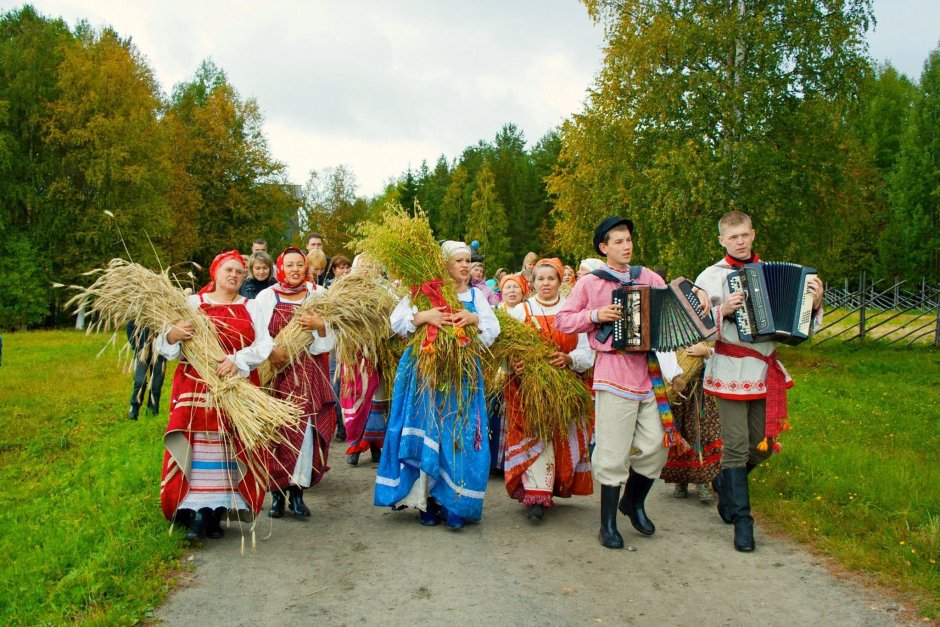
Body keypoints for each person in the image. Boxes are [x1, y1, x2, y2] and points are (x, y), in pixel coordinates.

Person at [695, 210, 824, 552]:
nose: (739, 241)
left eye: (744, 235)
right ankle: (742, 521)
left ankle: (725, 482)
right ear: (721, 240)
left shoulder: (773, 273)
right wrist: (721, 311)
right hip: (729, 370)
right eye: (732, 236)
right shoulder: (710, 277)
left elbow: (802, 325)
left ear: (753, 234)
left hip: (765, 370)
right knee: (736, 446)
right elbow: (694, 327)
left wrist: (817, 300)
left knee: (762, 446)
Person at [555, 217, 686, 550]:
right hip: (613, 374)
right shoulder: (591, 283)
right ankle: (607, 524)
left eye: (628, 240)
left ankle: (633, 502)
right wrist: (595, 315)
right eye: (618, 242)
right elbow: (563, 320)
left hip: (648, 374)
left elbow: (668, 312)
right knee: (612, 452)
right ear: (604, 248)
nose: (626, 246)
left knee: (657, 444)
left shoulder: (649, 277)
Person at [375, 241, 500, 529]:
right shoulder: (424, 290)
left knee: (457, 434)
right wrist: (424, 316)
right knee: (429, 429)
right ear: (445, 265)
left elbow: (493, 330)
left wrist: (475, 319)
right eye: (459, 261)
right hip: (424, 374)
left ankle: (453, 502)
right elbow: (396, 322)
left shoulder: (476, 296)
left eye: (468, 260)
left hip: (461, 375)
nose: (466, 266)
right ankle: (426, 500)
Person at [155, 250, 273, 541]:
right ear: (215, 273)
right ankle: (195, 511)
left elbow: (263, 344)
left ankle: (216, 511)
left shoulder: (252, 306)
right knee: (199, 446)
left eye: (238, 272)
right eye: (228, 270)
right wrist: (172, 335)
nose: (234, 276)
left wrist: (237, 360)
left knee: (227, 448)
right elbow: (166, 341)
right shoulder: (192, 303)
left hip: (236, 385)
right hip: (195, 384)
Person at [505, 258, 594, 520]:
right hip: (528, 390)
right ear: (532, 283)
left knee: (561, 436)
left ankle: (557, 484)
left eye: (551, 278)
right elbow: (506, 348)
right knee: (536, 435)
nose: (546, 283)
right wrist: (515, 364)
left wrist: (569, 359)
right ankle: (536, 494)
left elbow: (587, 351)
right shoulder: (520, 312)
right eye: (540, 279)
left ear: (559, 281)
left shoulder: (572, 310)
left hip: (565, 388)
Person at [255, 247, 336, 520]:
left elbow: (330, 338)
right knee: (276, 432)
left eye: (299, 265)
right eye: (289, 265)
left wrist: (320, 325)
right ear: (281, 267)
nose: (294, 270)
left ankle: (297, 493)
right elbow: (255, 332)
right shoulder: (266, 296)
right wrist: (271, 351)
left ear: (306, 267)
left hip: (308, 374)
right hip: (275, 375)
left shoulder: (318, 296)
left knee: (303, 434)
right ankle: (276, 494)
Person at [340, 254, 390, 466]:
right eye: (364, 266)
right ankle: (355, 445)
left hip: (378, 353)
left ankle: (377, 446)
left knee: (377, 400)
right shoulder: (345, 291)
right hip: (353, 355)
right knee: (355, 399)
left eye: (372, 266)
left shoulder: (386, 292)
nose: (368, 270)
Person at [659, 342, 721, 503]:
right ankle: (681, 479)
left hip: (700, 387)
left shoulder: (710, 324)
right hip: (678, 386)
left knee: (701, 432)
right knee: (680, 431)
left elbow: (723, 350)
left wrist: (707, 352)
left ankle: (703, 481)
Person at [487, 273, 530, 473]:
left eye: (516, 287)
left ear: (524, 291)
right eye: (508, 287)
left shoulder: (529, 314)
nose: (512, 291)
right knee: (494, 410)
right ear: (501, 292)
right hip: (498, 371)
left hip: (522, 370)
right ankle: (495, 461)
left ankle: (512, 461)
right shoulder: (495, 312)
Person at [126, 321, 167, 420]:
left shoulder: (163, 313)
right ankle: (134, 408)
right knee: (140, 381)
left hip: (160, 353)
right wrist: (135, 345)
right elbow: (129, 326)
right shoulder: (141, 312)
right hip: (142, 351)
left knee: (156, 384)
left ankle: (152, 411)